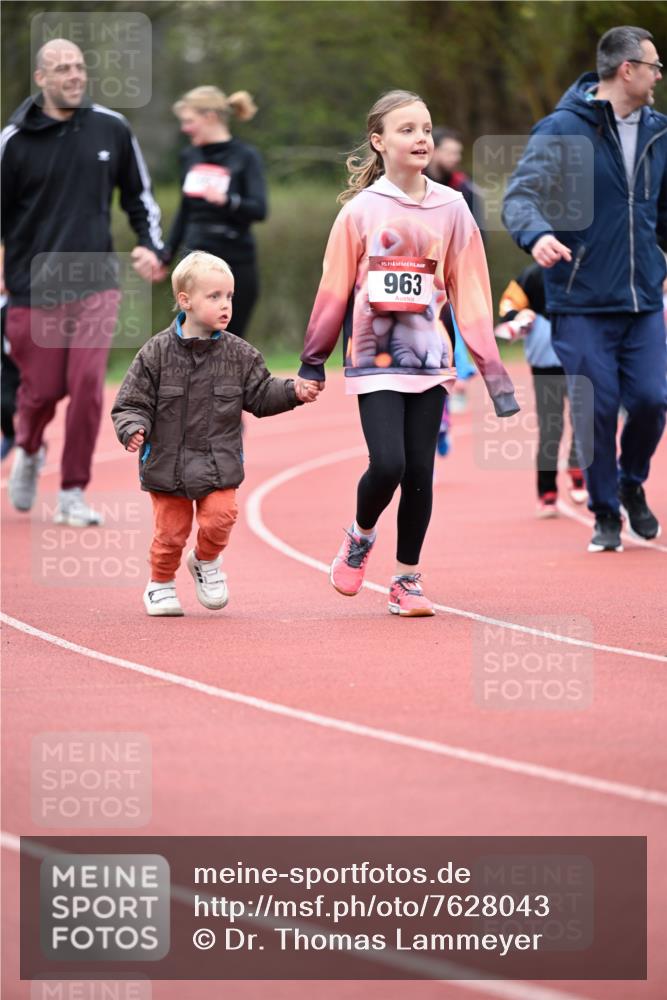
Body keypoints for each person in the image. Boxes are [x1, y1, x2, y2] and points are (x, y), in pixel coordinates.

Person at [298, 90, 519, 618]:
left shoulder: (453, 207)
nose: (421, 138)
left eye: (426, 128)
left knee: (420, 470)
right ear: (379, 142)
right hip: (373, 359)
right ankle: (360, 534)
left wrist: (493, 375)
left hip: (430, 359)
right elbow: (333, 288)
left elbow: (471, 292)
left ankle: (406, 579)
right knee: (389, 464)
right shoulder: (359, 212)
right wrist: (313, 358)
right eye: (407, 130)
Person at [502, 25, 667, 553]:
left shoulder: (660, 133)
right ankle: (605, 511)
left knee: (652, 401)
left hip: (644, 299)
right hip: (580, 300)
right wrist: (537, 234)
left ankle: (630, 483)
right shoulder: (561, 130)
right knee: (596, 410)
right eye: (654, 66)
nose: (659, 76)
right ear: (627, 69)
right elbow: (520, 196)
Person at [1, 38, 164, 526]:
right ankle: (29, 447)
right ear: (41, 79)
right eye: (62, 69)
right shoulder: (13, 141)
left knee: (88, 385)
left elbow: (139, 196)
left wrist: (151, 246)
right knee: (41, 392)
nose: (74, 75)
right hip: (31, 287)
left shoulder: (111, 127)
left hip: (96, 282)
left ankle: (73, 491)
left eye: (78, 67)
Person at [111, 251, 319, 617]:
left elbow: (261, 392)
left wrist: (293, 392)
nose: (226, 305)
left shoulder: (239, 354)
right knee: (170, 533)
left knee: (221, 518)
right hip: (168, 465)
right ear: (185, 301)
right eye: (214, 296)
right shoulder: (155, 353)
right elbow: (131, 401)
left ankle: (206, 561)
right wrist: (133, 427)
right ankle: (160, 583)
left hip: (217, 463)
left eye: (229, 296)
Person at [164, 86, 267, 341]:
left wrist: (228, 201)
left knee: (231, 342)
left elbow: (259, 209)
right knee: (193, 340)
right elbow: (184, 211)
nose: (185, 129)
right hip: (195, 257)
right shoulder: (189, 156)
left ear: (210, 117)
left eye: (189, 121)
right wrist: (165, 256)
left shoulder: (245, 156)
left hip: (236, 259)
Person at [495, 264, 587, 516]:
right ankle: (547, 492)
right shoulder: (532, 276)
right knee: (550, 428)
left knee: (586, 420)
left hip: (581, 362)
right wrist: (519, 315)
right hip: (546, 364)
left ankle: (577, 468)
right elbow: (507, 306)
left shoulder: (587, 268)